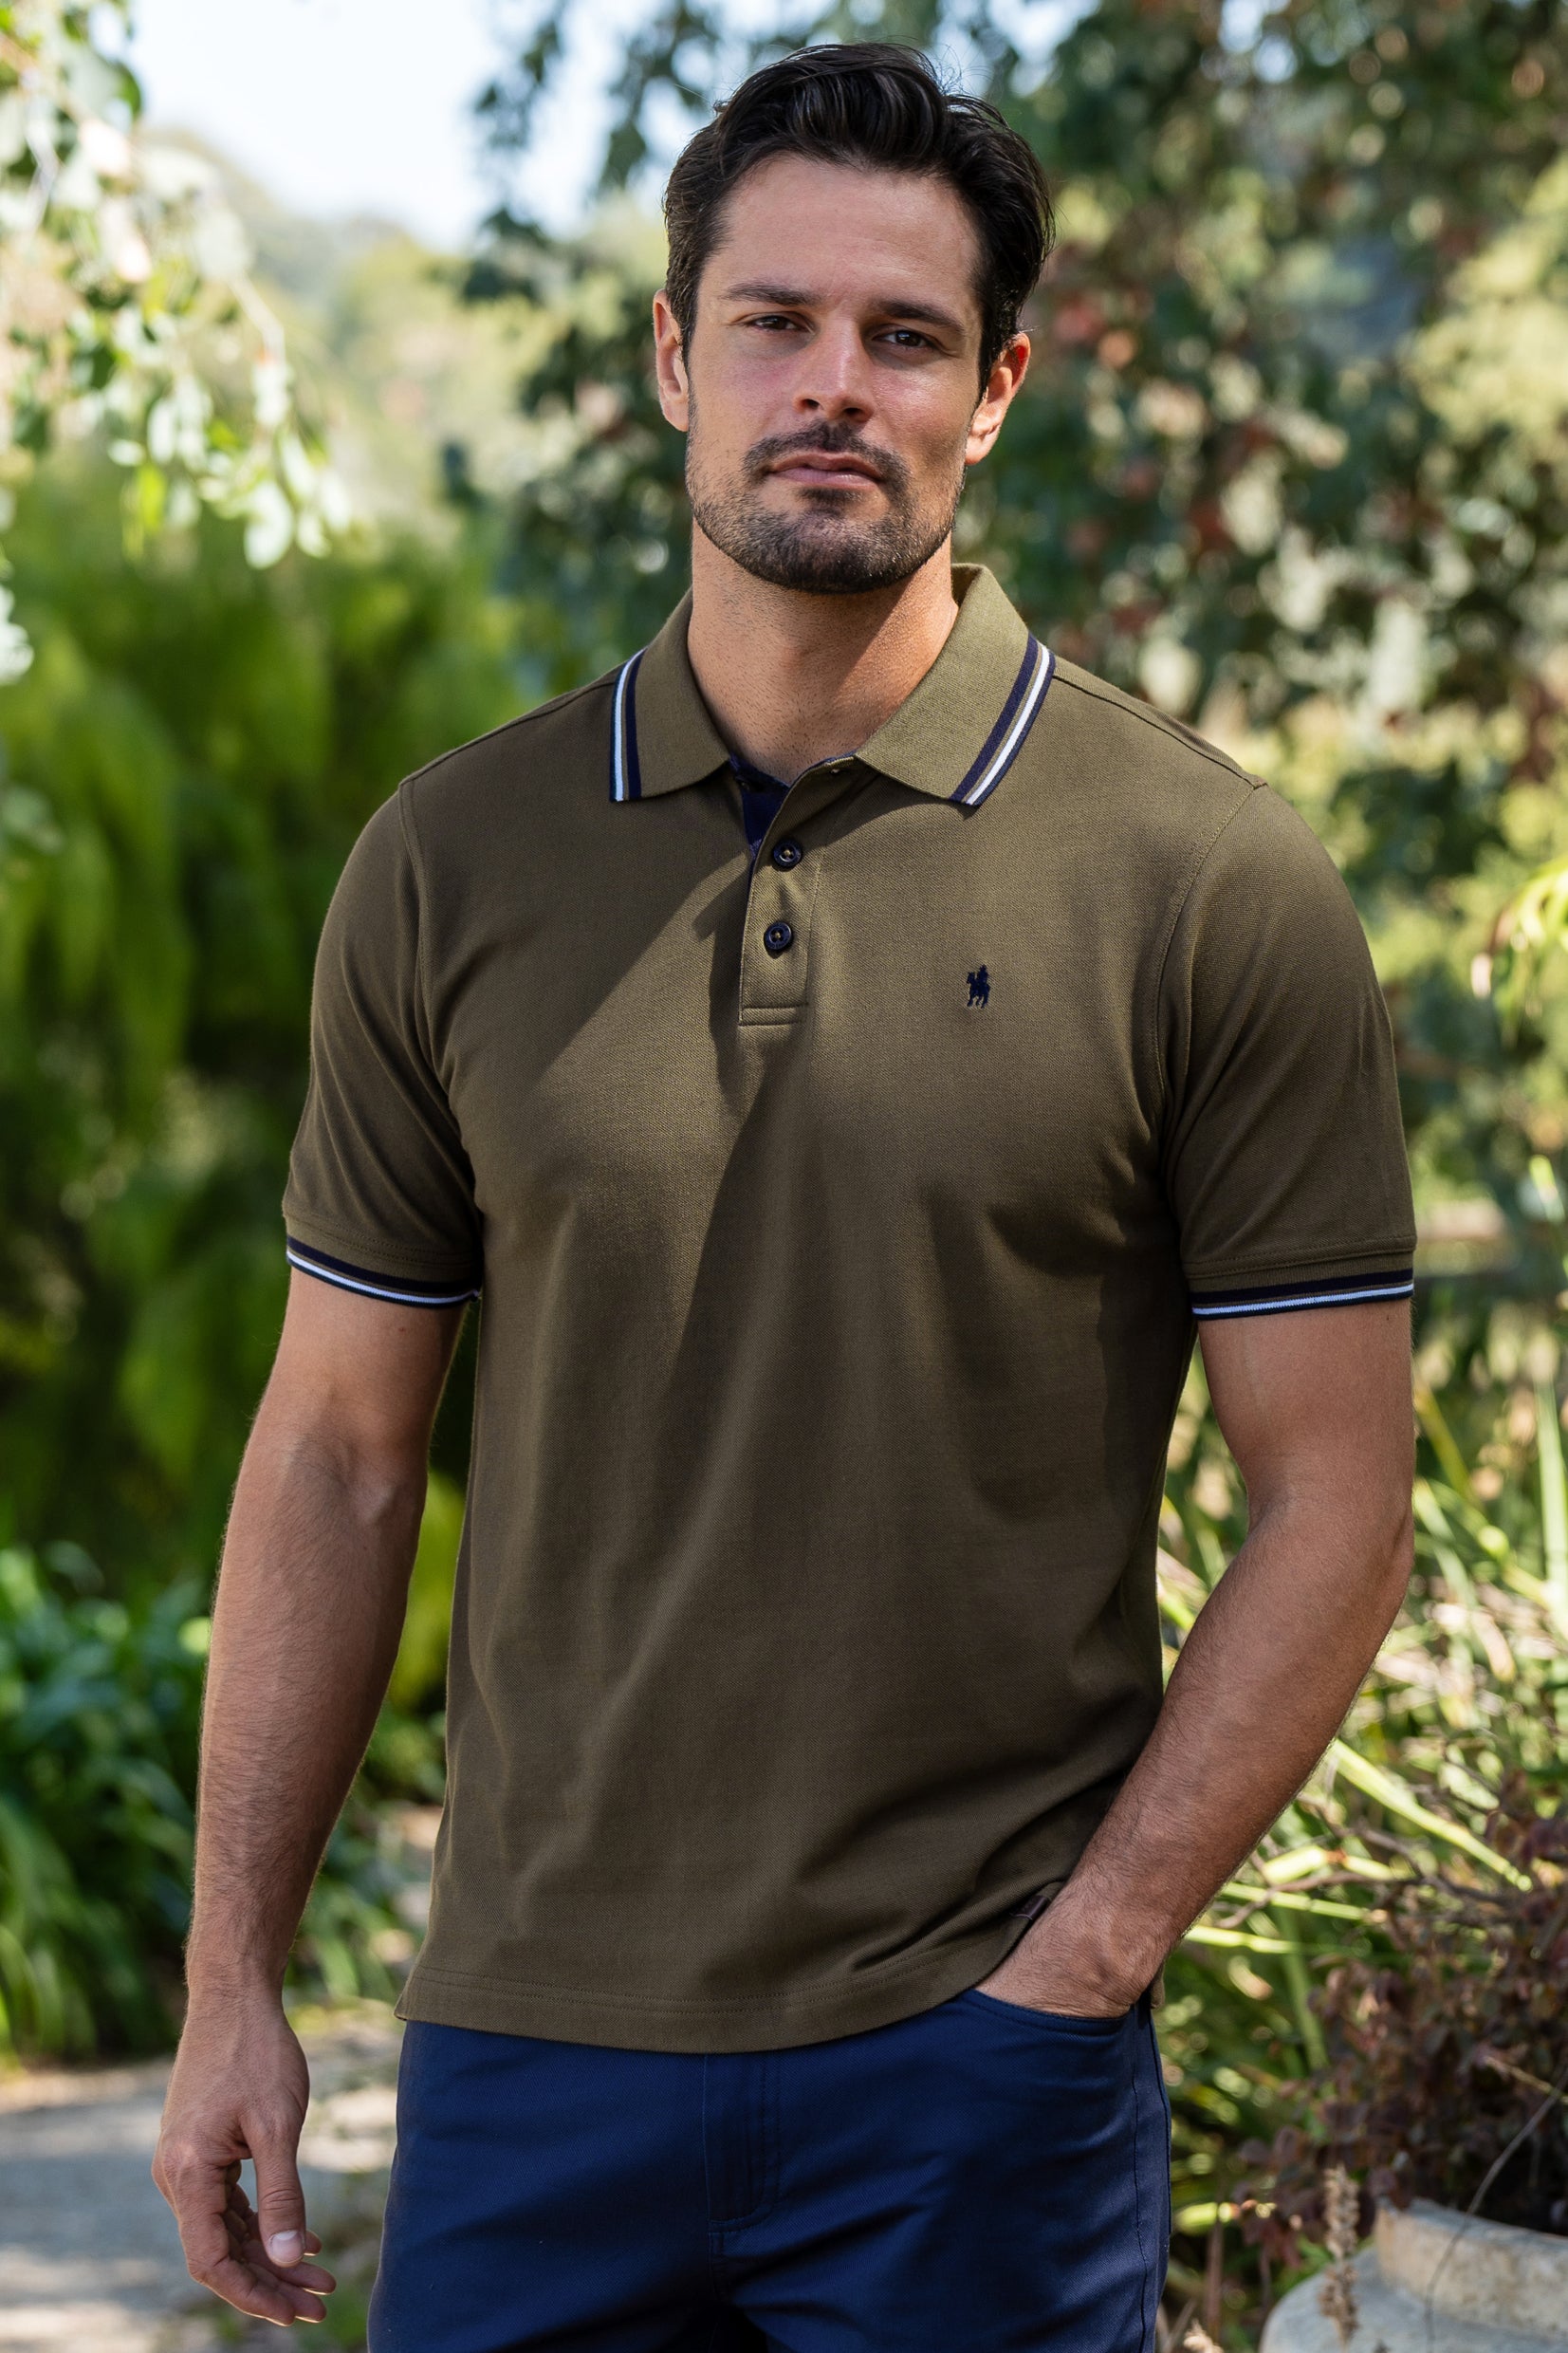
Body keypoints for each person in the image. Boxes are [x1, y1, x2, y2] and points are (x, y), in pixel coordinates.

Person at [155, 42, 1416, 2352]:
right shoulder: (451, 861)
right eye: (773, 322)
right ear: (674, 356)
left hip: (976, 2074)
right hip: (526, 2057)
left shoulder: (1204, 881)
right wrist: (231, 1977)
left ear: (993, 389)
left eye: (904, 335)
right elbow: (333, 1452)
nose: (832, 383)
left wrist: (1081, 1966)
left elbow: (1334, 1499)